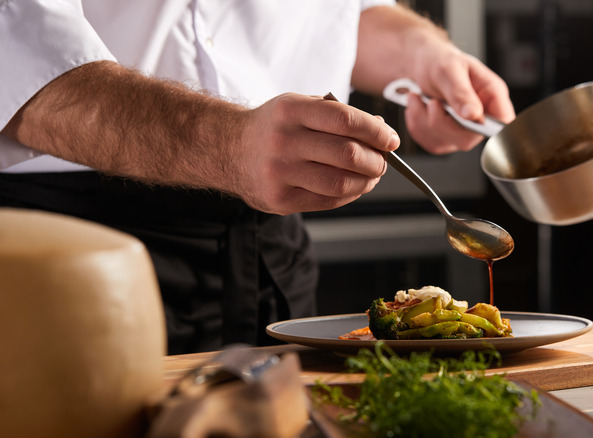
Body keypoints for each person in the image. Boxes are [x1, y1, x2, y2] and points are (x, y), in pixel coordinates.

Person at [0, 0, 515, 354]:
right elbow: (20, 65)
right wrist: (225, 144)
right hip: (70, 252)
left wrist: (424, 57)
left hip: (272, 250)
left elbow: (339, 15)